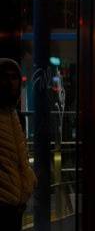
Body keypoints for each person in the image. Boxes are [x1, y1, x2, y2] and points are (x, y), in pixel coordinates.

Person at [0, 59, 36, 231]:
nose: (9, 82)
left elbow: (21, 154)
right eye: (4, 77)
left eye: (14, 77)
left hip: (16, 203)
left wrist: (29, 181)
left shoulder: (16, 116)